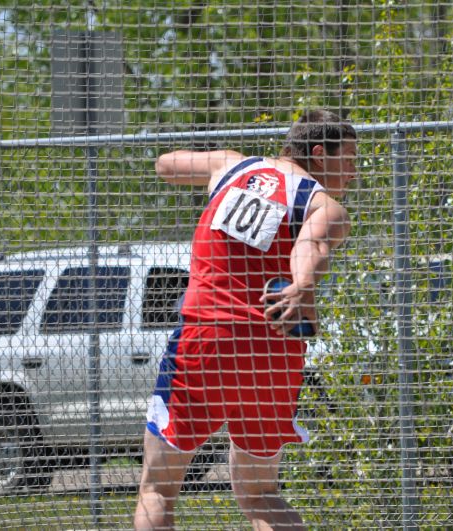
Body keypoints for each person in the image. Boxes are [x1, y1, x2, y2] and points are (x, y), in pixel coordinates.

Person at [134, 109, 358, 530]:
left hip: (207, 340)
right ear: (318, 154)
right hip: (271, 352)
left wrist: (211, 166)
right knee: (260, 494)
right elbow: (312, 245)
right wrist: (302, 286)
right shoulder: (324, 205)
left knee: (158, 489)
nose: (354, 171)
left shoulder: (231, 165)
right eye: (348, 157)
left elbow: (165, 164)